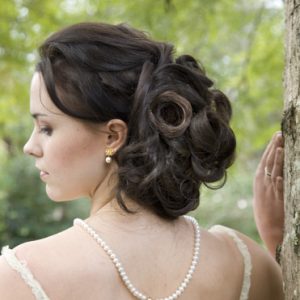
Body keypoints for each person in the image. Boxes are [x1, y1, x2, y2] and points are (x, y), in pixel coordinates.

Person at [0, 22, 284, 300]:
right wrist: (277, 240)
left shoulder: (22, 276)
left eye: (46, 128)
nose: (29, 146)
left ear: (113, 136)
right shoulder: (245, 266)